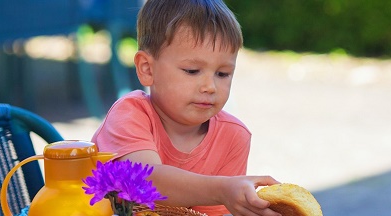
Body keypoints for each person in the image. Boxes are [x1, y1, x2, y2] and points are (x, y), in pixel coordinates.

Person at [91, 0, 281, 215]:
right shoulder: (130, 113)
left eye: (223, 74)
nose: (210, 87)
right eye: (192, 71)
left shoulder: (233, 136)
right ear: (147, 69)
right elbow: (145, 181)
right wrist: (222, 189)